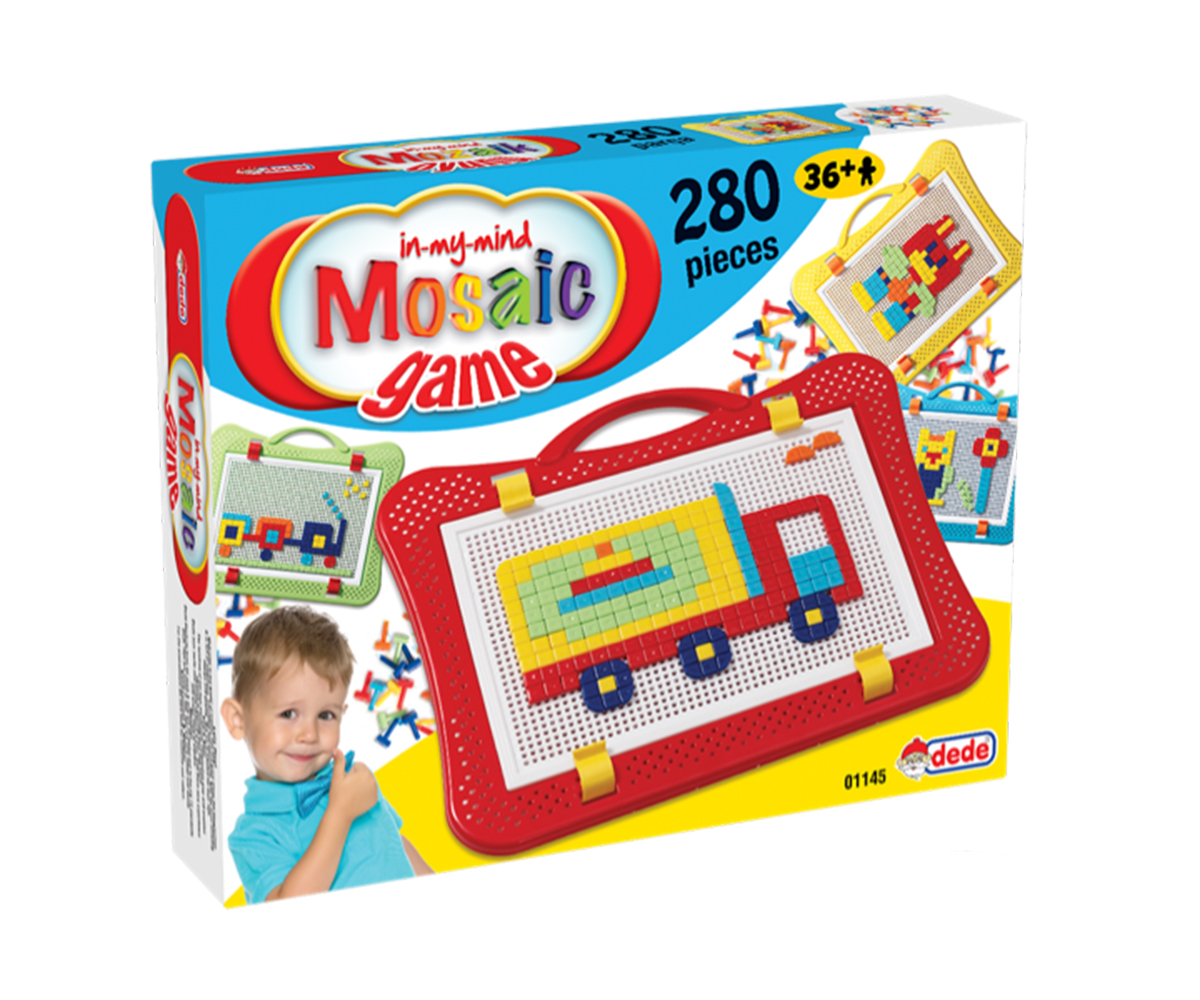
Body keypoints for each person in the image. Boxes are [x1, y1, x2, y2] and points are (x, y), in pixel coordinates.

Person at [219, 605, 432, 903]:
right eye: (288, 713)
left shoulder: (351, 781)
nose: (310, 734)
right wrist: (339, 814)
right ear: (238, 720)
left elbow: (394, 845)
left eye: (325, 715)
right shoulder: (255, 835)